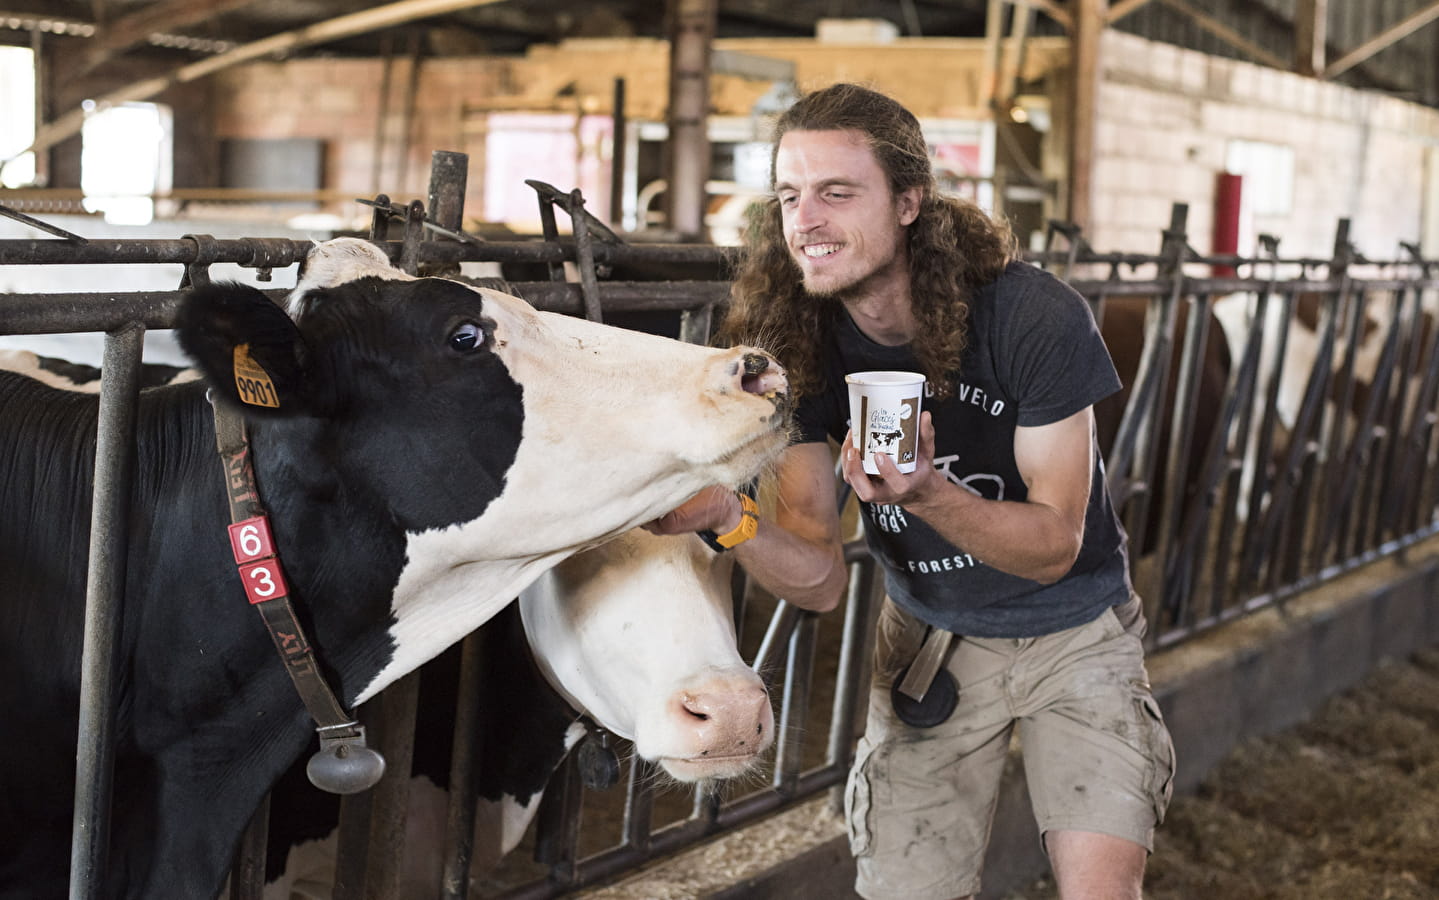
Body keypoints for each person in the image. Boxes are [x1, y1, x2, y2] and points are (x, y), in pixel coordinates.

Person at [645, 82, 1174, 900]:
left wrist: (925, 494)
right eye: (789, 195)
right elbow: (820, 581)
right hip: (930, 643)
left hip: (1076, 631)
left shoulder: (1032, 317)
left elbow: (1053, 548)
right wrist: (729, 519)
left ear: (909, 202)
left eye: (836, 192)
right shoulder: (801, 341)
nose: (805, 220)